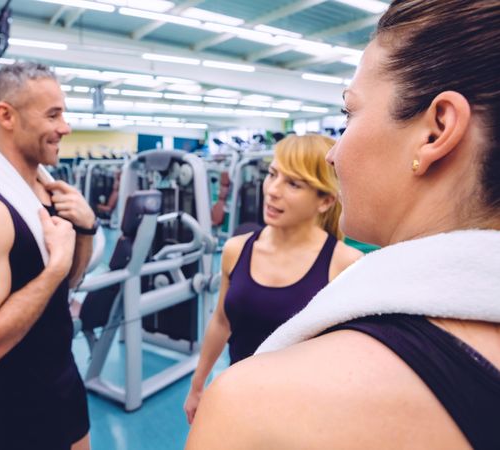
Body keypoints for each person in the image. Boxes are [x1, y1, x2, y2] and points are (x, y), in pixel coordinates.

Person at [186, 1, 500, 449]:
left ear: (436, 131)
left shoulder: (253, 406)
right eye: (273, 175)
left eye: (349, 114)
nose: (335, 154)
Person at [0, 62, 96, 450]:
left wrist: (87, 229)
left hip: (65, 377)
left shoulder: (50, 190)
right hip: (18, 405)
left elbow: (69, 284)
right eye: (53, 114)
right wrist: (57, 265)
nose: (66, 127)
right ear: (6, 115)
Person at [184, 134, 362, 424]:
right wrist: (197, 385)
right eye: (272, 174)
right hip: (240, 397)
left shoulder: (345, 264)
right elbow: (221, 321)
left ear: (325, 201)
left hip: (302, 413)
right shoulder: (235, 249)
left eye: (293, 183)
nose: (273, 190)